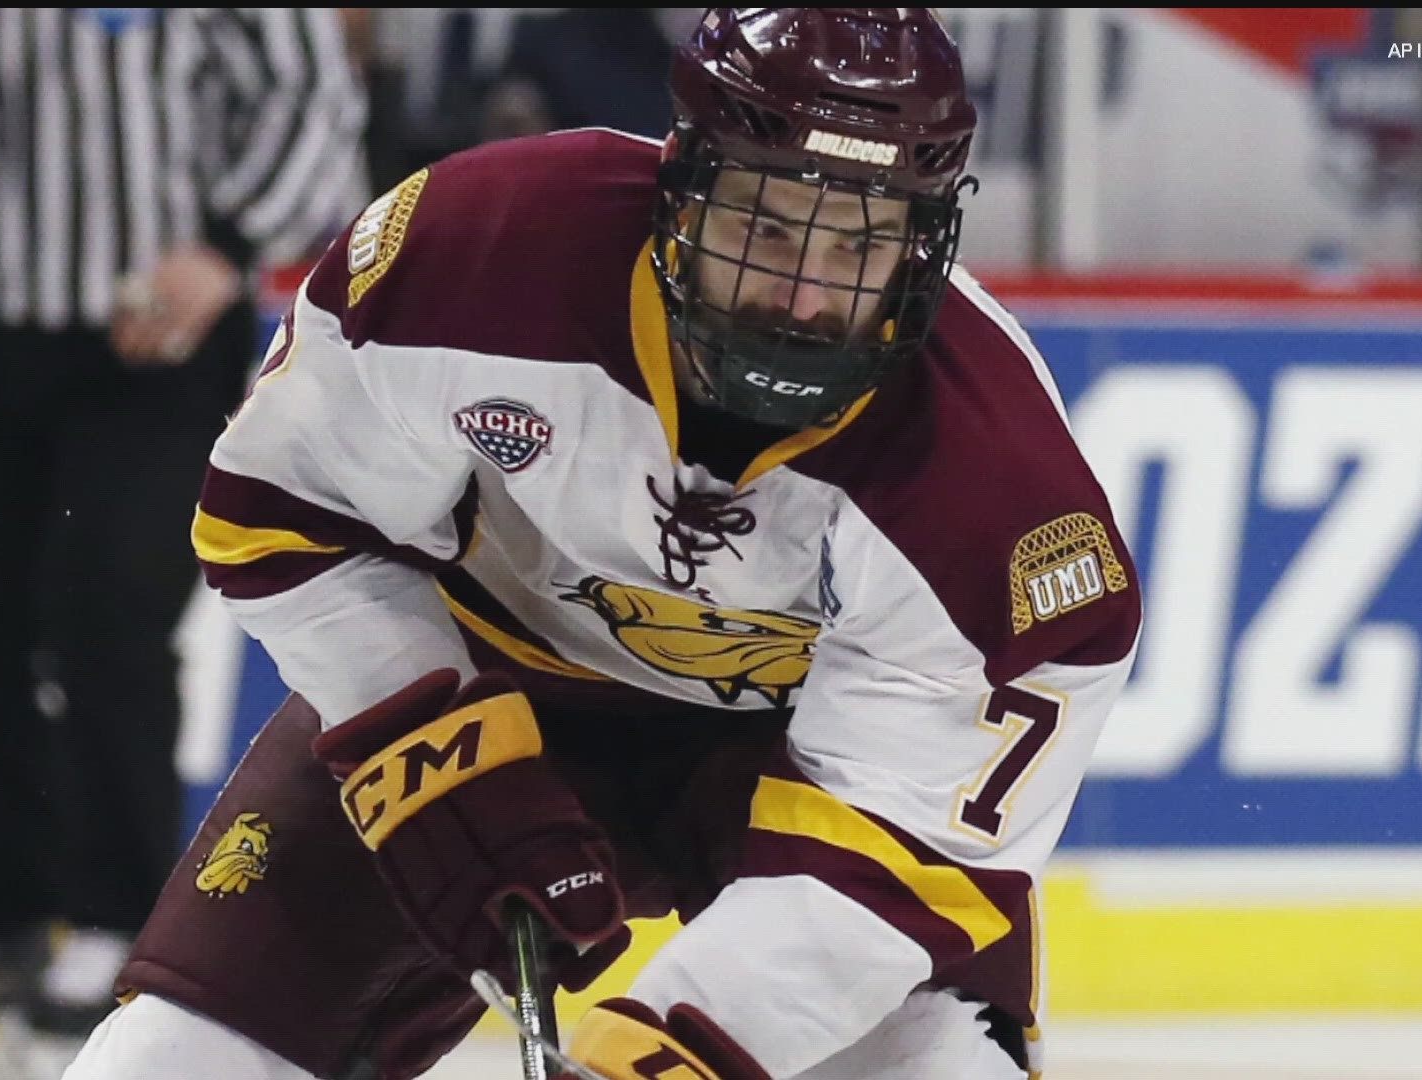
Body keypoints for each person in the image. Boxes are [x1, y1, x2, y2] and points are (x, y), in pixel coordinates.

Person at [67, 8, 1140, 1079]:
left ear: (926, 243)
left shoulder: (1007, 506)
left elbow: (890, 869)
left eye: (861, 246)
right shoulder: (475, 251)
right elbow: (284, 518)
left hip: (805, 763)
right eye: (765, 229)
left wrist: (657, 1057)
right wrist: (427, 749)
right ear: (680, 188)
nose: (805, 298)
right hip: (489, 677)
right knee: (161, 1064)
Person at [0, 8, 368, 1040]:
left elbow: (313, 96)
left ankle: (123, 924)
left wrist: (229, 244)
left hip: (155, 341)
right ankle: (6, 924)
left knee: (106, 621)